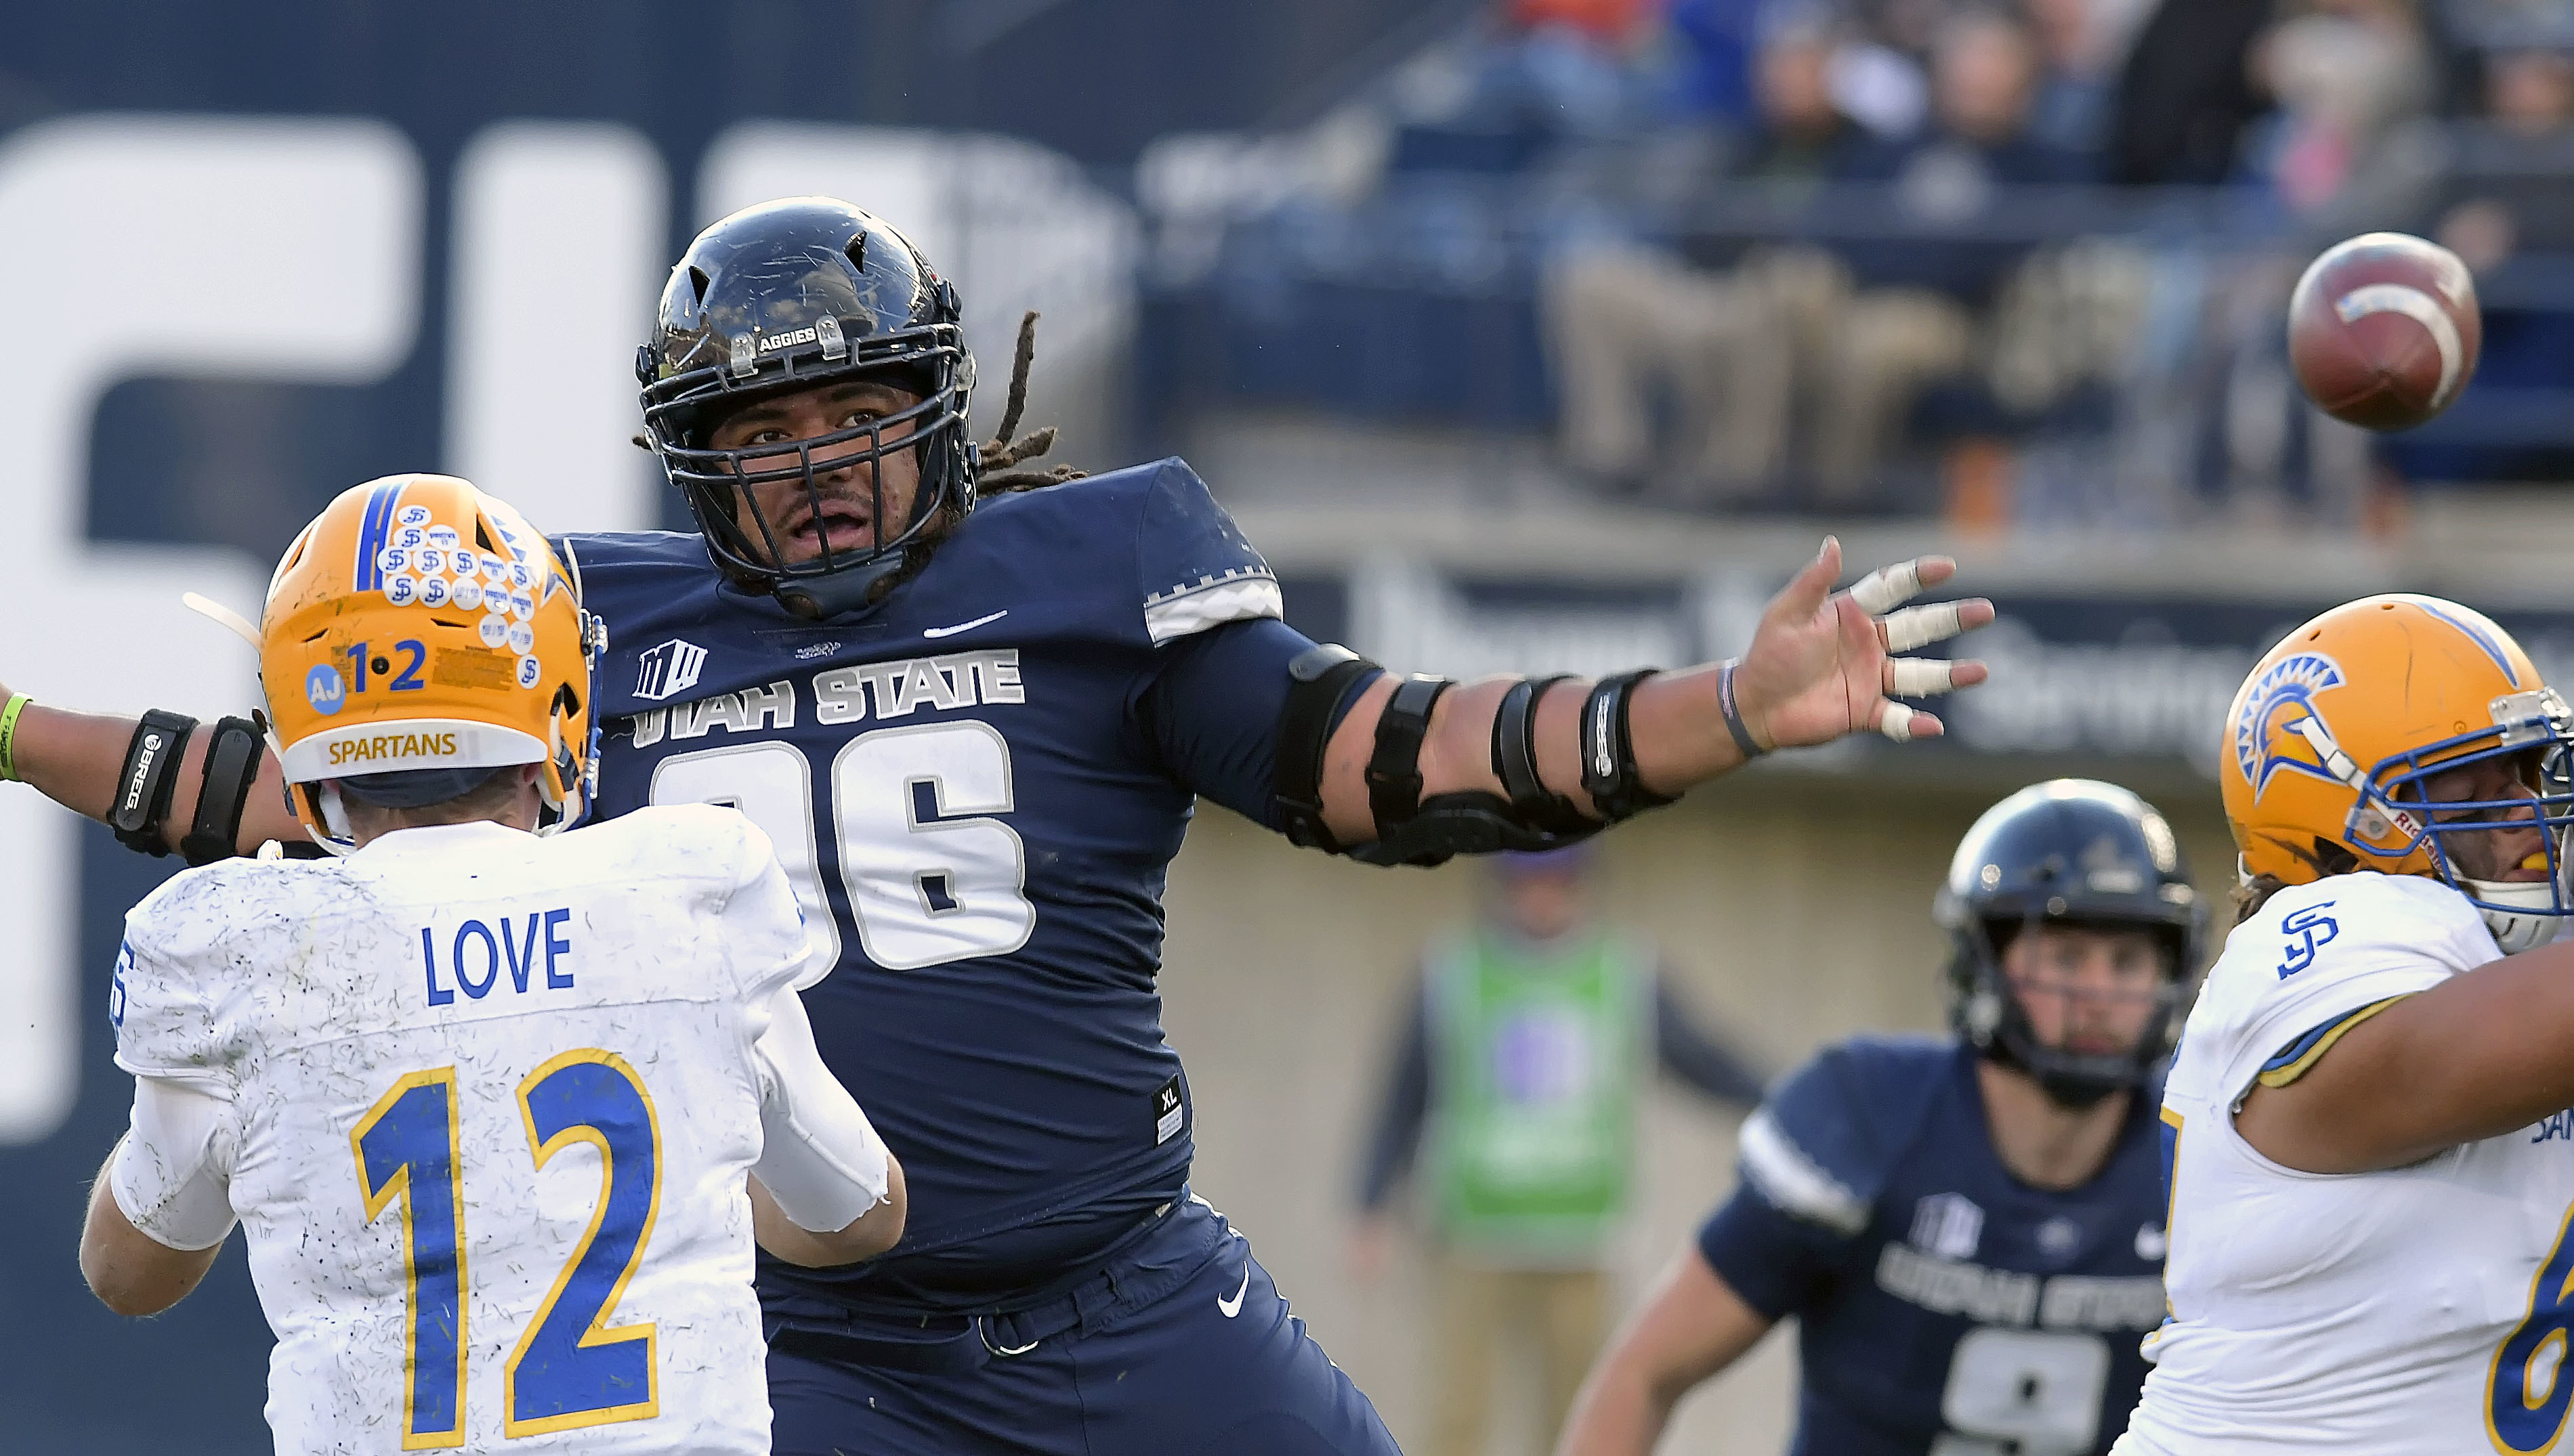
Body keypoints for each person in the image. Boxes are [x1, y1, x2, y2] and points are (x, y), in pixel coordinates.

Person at [5, 197, 1990, 1455]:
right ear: (699, 468)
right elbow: (286, 789)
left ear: (937, 402)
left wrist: (1719, 708)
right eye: (763, 439)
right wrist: (12, 722)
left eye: (850, 411)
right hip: (805, 1338)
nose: (816, 471)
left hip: (1127, 1287)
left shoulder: (1094, 565)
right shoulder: (599, 625)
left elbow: (1386, 759)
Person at [73, 475, 904, 1455]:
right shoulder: (688, 888)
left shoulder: (241, 950)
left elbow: (129, 1271)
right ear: (551, 696)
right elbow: (860, 1213)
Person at [1557, 778, 2203, 1455]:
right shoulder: (1870, 1117)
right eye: (2065, 956)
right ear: (1982, 965)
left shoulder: (2203, 1155)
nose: (2099, 994)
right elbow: (1642, 1373)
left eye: (2127, 959)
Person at [2118, 595, 2574, 1453]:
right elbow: (2452, 1055)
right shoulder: (2330, 932)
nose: (2522, 810)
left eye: (2524, 770)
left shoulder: (2514, 965)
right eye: (2466, 784)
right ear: (2342, 827)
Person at [1349, 842, 1765, 1456]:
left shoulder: (1623, 974)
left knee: (1579, 1418)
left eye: (1557, 882)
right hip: (1475, 1237)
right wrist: (1369, 1202)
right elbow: (1404, 1095)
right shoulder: (1455, 972)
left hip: (1580, 1238)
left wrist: (1781, 1100)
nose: (1543, 898)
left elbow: (1704, 1061)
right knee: (1458, 1418)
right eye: (1528, 883)